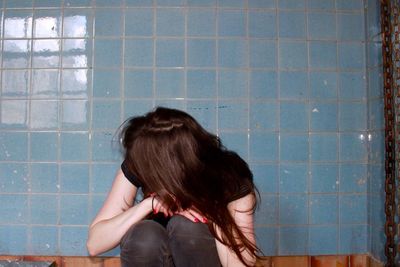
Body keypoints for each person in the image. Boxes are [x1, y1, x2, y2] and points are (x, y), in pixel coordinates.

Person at [87, 107, 262, 267]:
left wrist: (212, 214)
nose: (139, 165)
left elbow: (242, 265)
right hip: (157, 255)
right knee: (144, 234)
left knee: (186, 227)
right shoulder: (140, 165)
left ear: (169, 166)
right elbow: (95, 244)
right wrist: (148, 205)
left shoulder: (229, 175)